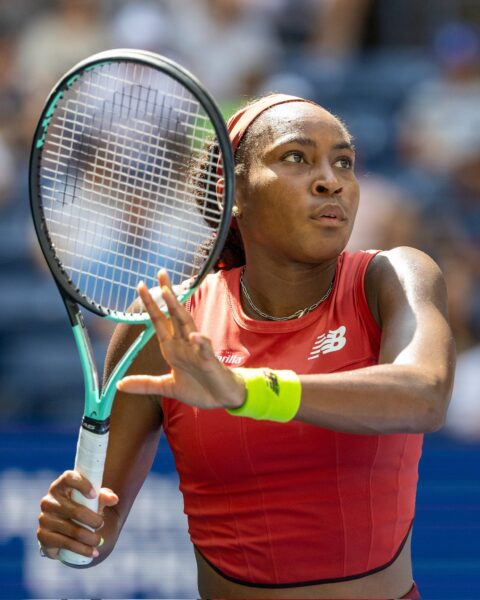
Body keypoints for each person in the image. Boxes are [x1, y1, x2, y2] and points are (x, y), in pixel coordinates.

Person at [37, 93, 455, 599]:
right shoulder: (166, 328)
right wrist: (75, 528)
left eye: (343, 161)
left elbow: (424, 393)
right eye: (296, 157)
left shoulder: (392, 276)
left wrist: (244, 389)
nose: (331, 180)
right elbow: (100, 527)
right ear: (231, 191)